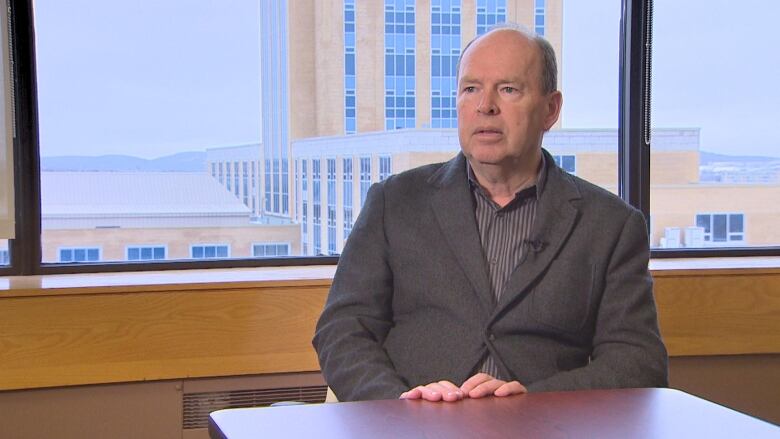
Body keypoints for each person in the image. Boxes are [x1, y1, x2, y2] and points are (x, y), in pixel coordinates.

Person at [312, 24, 668, 402]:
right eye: (471, 89)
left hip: (543, 429)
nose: (485, 106)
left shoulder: (610, 225)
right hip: (415, 426)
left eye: (508, 89)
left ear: (551, 109)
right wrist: (399, 403)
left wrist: (533, 399)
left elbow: (639, 362)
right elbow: (342, 329)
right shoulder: (394, 201)